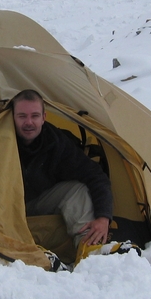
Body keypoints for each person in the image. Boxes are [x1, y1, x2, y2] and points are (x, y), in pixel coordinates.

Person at [10, 89, 113, 248]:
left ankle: (88, 249)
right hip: (4, 207)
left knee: (77, 190)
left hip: (37, 203)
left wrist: (103, 217)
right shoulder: (0, 140)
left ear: (44, 118)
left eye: (35, 116)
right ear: (12, 117)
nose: (29, 122)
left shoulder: (55, 142)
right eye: (22, 116)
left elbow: (95, 175)